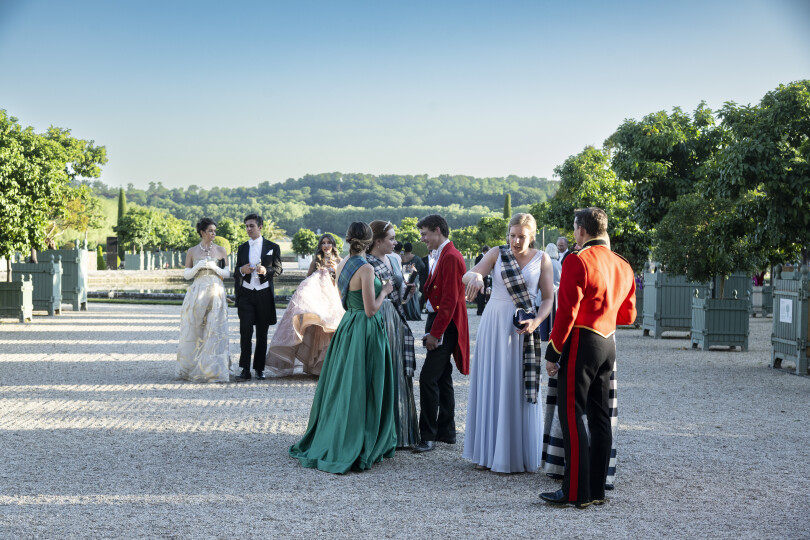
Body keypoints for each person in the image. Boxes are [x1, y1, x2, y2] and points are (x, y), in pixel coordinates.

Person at [540, 207, 636, 509]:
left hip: (583, 340)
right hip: (608, 344)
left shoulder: (577, 260)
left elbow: (566, 313)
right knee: (600, 416)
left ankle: (574, 491)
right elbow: (629, 315)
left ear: (581, 230)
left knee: (571, 413)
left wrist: (553, 351)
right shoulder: (623, 264)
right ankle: (596, 490)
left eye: (574, 228)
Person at [289, 222, 397, 473]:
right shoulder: (366, 268)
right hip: (366, 329)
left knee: (346, 383)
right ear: (370, 241)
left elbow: (344, 301)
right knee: (364, 384)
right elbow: (371, 310)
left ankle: (338, 431)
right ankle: (361, 438)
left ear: (348, 239)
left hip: (348, 325)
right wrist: (385, 291)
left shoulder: (343, 264)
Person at [461, 214, 554, 472]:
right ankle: (488, 453)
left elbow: (548, 298)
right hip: (494, 325)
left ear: (531, 236)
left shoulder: (543, 259)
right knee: (493, 382)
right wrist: (476, 277)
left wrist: (537, 322)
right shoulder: (496, 253)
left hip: (523, 325)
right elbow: (468, 275)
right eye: (512, 235)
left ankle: (517, 454)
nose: (516, 241)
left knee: (517, 385)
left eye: (522, 236)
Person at [412, 214, 470, 453]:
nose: (422, 239)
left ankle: (428, 435)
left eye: (424, 234)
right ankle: (446, 431)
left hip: (445, 324)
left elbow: (449, 302)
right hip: (439, 320)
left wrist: (436, 333)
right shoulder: (443, 254)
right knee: (443, 376)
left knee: (428, 378)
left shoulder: (451, 257)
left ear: (437, 230)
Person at [366, 221, 420, 448]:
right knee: (383, 372)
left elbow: (399, 296)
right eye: (391, 238)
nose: (395, 242)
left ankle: (401, 432)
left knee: (398, 372)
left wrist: (408, 293)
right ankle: (381, 433)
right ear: (377, 241)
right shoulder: (366, 263)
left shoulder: (394, 259)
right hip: (379, 319)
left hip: (396, 320)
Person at [265, 233, 344, 377]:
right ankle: (315, 367)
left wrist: (335, 270)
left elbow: (344, 282)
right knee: (317, 331)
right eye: (323, 243)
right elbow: (307, 281)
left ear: (333, 245)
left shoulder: (340, 261)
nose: (326, 245)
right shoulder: (316, 261)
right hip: (319, 300)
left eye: (328, 242)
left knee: (332, 330)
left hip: (334, 300)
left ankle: (330, 367)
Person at [176, 218, 232, 382]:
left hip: (216, 291)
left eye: (215, 231)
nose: (214, 234)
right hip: (198, 292)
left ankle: (213, 368)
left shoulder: (221, 250)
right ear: (202, 232)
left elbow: (227, 273)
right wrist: (198, 266)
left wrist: (215, 267)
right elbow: (187, 275)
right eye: (210, 231)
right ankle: (193, 366)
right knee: (195, 328)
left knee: (215, 329)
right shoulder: (192, 251)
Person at [233, 213, 283, 381]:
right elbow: (236, 271)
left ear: (260, 227)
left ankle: (259, 369)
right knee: (245, 332)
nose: (248, 229)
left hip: (264, 294)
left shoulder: (273, 247)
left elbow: (278, 269)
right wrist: (242, 270)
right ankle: (245, 369)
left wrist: (266, 270)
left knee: (262, 333)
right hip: (246, 294)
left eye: (251, 226)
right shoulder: (242, 248)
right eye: (246, 226)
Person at [399, 242, 424, 321]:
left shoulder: (401, 257)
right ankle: (414, 314)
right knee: (414, 297)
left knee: (405, 295)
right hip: (413, 278)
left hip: (404, 278)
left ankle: (406, 314)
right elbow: (422, 266)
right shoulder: (416, 258)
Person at [474, 246, 491, 316]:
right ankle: (480, 310)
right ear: (485, 251)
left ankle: (481, 310)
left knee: (482, 295)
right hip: (481, 279)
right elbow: (478, 269)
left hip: (483, 278)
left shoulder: (483, 257)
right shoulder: (480, 257)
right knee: (481, 295)